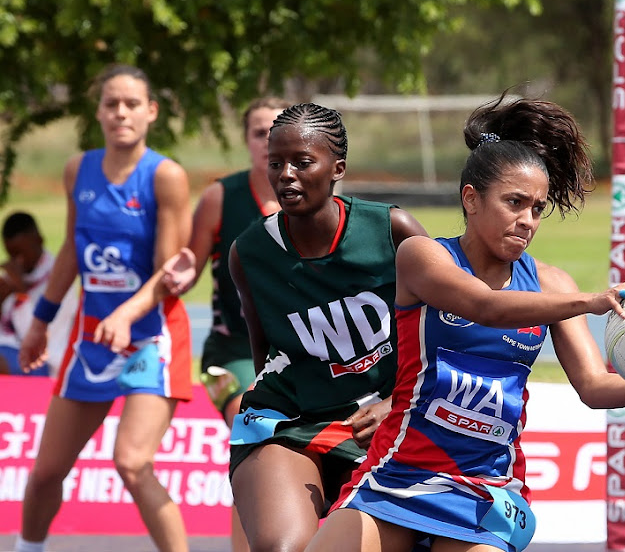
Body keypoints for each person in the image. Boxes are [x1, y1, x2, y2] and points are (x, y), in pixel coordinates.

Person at [304, 93, 625, 552]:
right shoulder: (423, 256)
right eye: (514, 202)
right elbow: (487, 307)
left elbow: (595, 386)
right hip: (399, 473)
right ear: (471, 199)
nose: (528, 220)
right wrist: (592, 300)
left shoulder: (552, 284)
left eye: (537, 208)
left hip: (485, 490)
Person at [226, 102, 428, 552]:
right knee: (281, 547)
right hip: (290, 418)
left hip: (384, 418)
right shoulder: (250, 252)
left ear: (338, 167)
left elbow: (449, 330)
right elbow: (264, 354)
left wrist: (397, 401)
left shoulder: (392, 229)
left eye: (302, 161)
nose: (286, 175)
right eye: (276, 163)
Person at [16, 64, 193, 552]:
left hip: (151, 336)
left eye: (132, 104)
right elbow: (71, 252)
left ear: (150, 112)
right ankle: (29, 547)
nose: (121, 113)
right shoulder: (79, 169)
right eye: (111, 103)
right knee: (46, 472)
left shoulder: (166, 177)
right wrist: (40, 323)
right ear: (98, 112)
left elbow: (168, 276)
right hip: (92, 337)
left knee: (132, 462)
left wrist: (125, 314)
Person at [161, 95, 291, 552]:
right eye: (260, 132)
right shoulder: (222, 196)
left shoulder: (318, 201)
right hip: (231, 353)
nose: (270, 140)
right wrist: (177, 272)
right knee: (251, 428)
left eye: (280, 129)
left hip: (299, 357)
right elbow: (190, 262)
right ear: (247, 141)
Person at [0, 212, 76, 377]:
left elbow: (33, 337)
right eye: (12, 254)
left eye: (21, 253)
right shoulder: (17, 274)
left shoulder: (60, 282)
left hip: (42, 360)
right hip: (7, 348)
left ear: (39, 240)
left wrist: (21, 294)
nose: (17, 260)